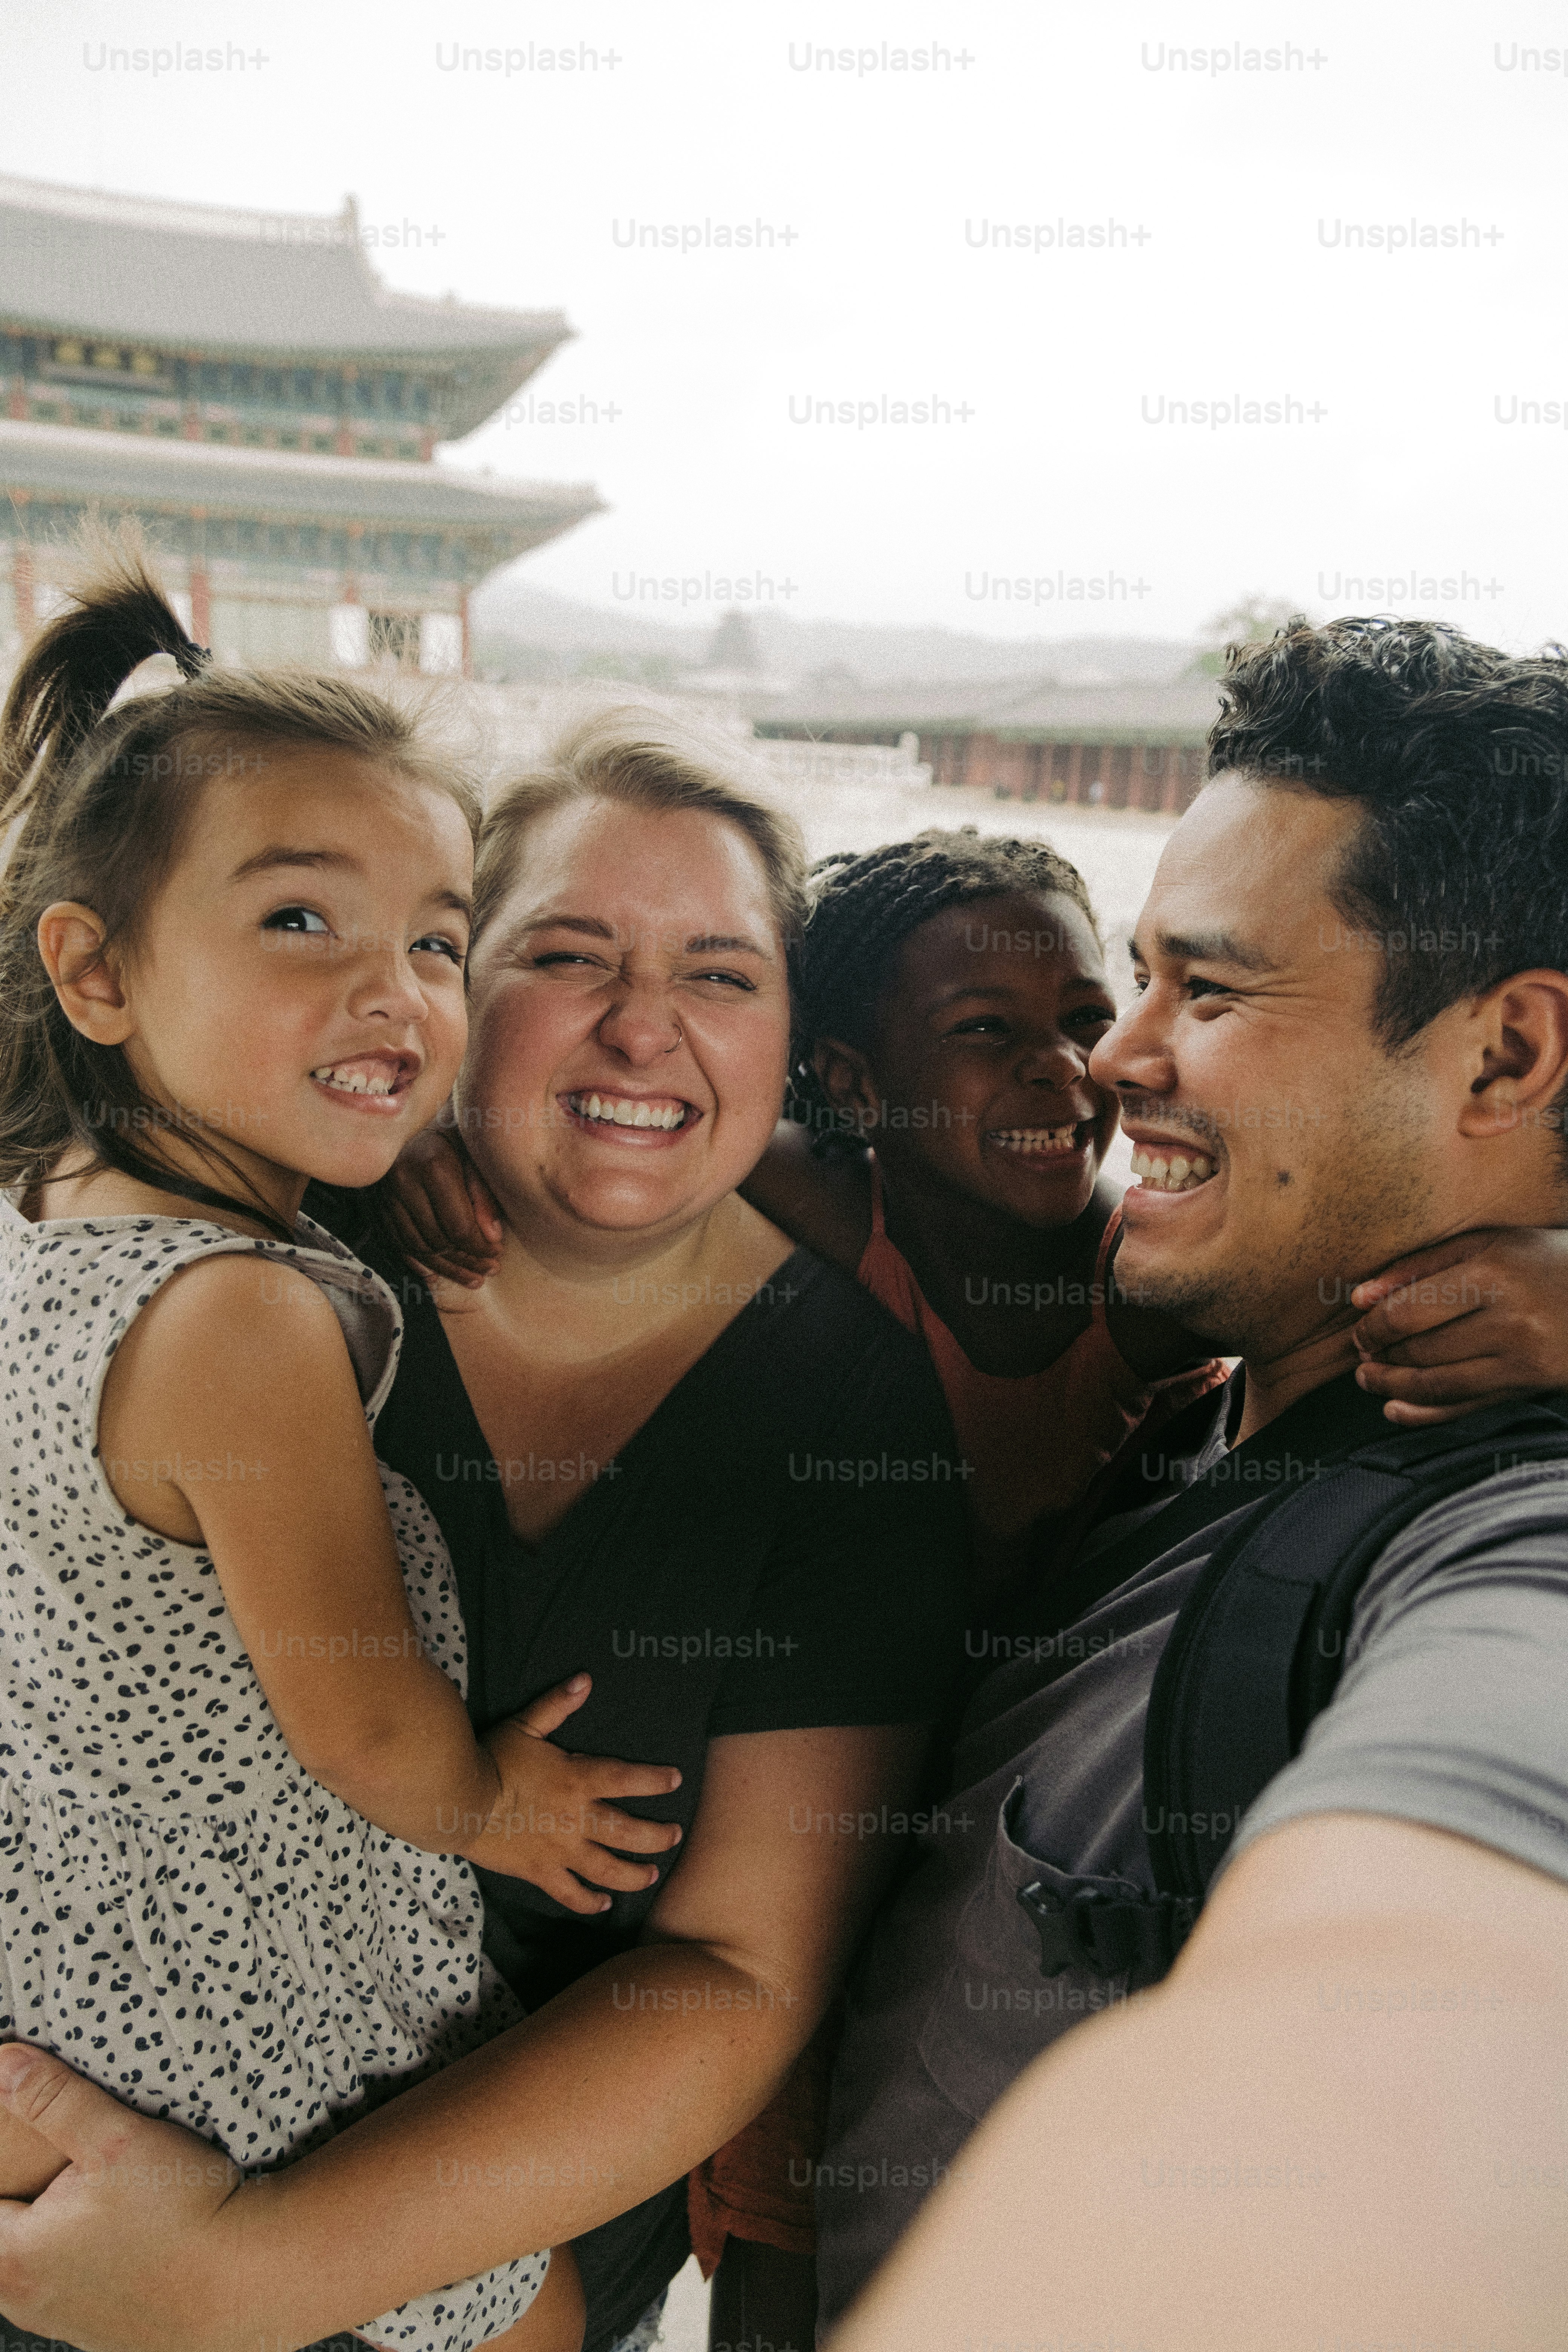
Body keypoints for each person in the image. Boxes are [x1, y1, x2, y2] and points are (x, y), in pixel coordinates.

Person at [0, 699, 971, 2352]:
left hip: (475, 2211)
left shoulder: (847, 1415)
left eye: (720, 975)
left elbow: (740, 1972)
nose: (642, 1029)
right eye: (568, 957)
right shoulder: (277, 1235)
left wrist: (254, 2271)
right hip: (80, 2121)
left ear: (793, 1050)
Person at [812, 613, 1568, 2344]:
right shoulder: (1187, 1400)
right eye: (1138, 974)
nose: (1112, 1058)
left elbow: (1447, 1986)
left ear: (1507, 1056)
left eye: (1206, 990)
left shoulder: (1494, 1536)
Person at [0, 551, 621, 2351]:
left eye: (437, 939)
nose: (397, 992)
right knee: (538, 2315)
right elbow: (356, 1713)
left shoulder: (51, 1207)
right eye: (301, 925)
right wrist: (503, 1804)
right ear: (97, 973)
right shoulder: (241, 1320)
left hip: (71, 1942)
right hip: (242, 2002)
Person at [392, 828, 1227, 1602]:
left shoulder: (1149, 1280)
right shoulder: (823, 1202)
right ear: (853, 1085)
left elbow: (1318, 1284)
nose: (1058, 1063)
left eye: (1086, 1019)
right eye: (983, 1028)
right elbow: (631, 1114)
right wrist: (427, 1132)